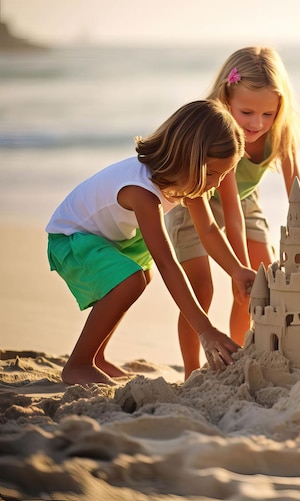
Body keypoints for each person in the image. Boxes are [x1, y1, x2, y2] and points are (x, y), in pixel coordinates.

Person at [46, 100, 256, 386]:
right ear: (188, 158)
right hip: (72, 238)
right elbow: (168, 263)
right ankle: (79, 363)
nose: (217, 184)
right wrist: (205, 330)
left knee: (141, 276)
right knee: (131, 279)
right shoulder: (142, 192)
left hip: (111, 237)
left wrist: (236, 269)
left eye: (223, 175)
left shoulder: (188, 180)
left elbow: (207, 229)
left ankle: (97, 357)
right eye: (213, 173)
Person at [165, 46, 300, 379]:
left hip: (246, 202)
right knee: (202, 288)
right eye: (246, 112)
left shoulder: (281, 131)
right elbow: (228, 209)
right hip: (195, 200)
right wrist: (238, 266)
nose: (257, 124)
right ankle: (192, 371)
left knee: (259, 281)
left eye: (268, 115)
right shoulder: (220, 131)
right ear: (226, 99)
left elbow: (298, 191)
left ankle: (238, 359)